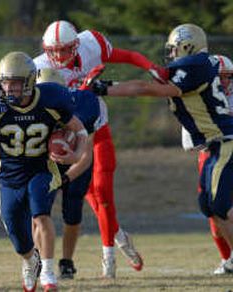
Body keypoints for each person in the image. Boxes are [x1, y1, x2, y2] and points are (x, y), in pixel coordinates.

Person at [89, 23, 233, 275]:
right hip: (214, 144)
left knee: (219, 204)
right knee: (208, 206)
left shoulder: (196, 66)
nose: (173, 54)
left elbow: (146, 88)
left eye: (176, 49)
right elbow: (149, 81)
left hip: (225, 140)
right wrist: (106, 86)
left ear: (188, 46)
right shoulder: (196, 66)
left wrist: (105, 88)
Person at [0, 51, 88, 292]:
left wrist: (77, 155)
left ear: (31, 81)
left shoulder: (51, 99)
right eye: (5, 82)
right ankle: (29, 260)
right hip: (9, 176)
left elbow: (81, 130)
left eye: (15, 83)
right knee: (14, 226)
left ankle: (47, 270)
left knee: (40, 214)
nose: (10, 88)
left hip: (40, 168)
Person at [34, 20, 154, 278]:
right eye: (52, 50)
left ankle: (108, 254)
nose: (57, 56)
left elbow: (129, 55)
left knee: (103, 193)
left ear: (76, 45)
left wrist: (153, 68)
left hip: (96, 129)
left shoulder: (92, 45)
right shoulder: (37, 69)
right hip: (64, 137)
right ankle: (119, 234)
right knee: (84, 195)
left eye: (63, 49)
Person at [35, 68, 105, 279]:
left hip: (74, 164)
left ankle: (66, 260)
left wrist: (65, 178)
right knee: (38, 212)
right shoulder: (31, 112)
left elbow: (86, 155)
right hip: (45, 164)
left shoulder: (82, 106)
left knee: (72, 212)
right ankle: (38, 257)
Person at [181, 54, 233, 275]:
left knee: (220, 205)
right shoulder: (198, 97)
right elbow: (188, 143)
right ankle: (228, 259)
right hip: (210, 154)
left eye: (228, 77)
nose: (224, 82)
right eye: (218, 77)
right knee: (210, 208)